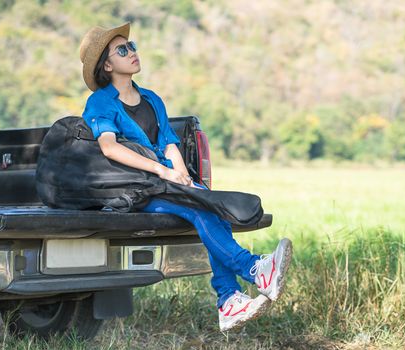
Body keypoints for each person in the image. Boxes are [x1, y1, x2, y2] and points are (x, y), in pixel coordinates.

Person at [79, 23, 293, 332]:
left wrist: (184, 177)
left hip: (164, 182)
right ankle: (252, 272)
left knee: (208, 205)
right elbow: (109, 148)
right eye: (122, 50)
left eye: (133, 45)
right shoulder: (100, 103)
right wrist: (163, 171)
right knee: (197, 209)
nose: (133, 53)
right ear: (108, 65)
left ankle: (229, 299)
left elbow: (169, 143)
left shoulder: (152, 99)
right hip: (133, 188)